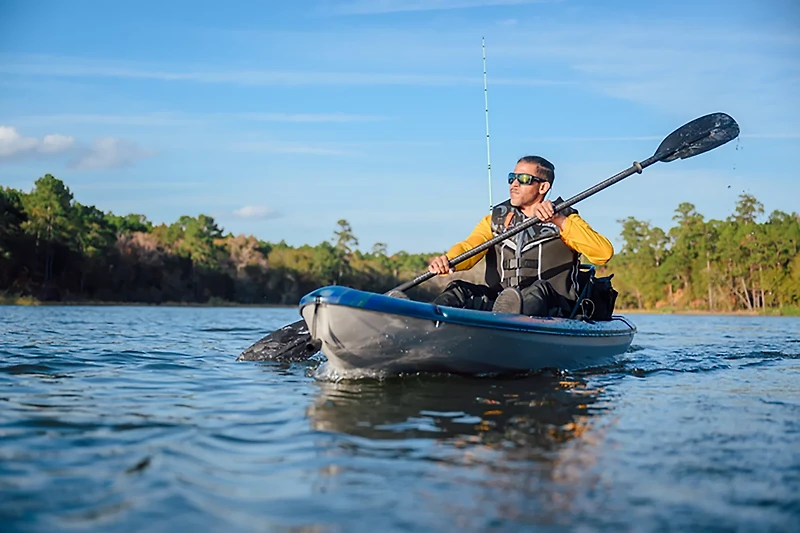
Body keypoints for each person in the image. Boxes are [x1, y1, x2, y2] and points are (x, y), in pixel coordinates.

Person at [427, 155, 614, 317]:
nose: (514, 184)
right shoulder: (494, 220)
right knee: (458, 289)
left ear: (543, 187)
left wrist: (558, 220)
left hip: (552, 307)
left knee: (537, 291)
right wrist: (448, 260)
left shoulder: (566, 219)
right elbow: (469, 247)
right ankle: (422, 322)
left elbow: (603, 253)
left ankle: (507, 324)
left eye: (523, 179)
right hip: (502, 304)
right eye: (512, 178)